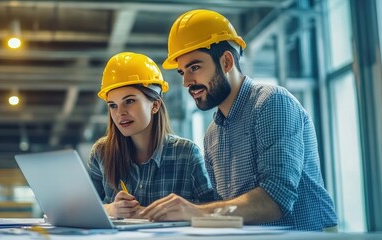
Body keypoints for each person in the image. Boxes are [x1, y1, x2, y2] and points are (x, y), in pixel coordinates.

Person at [139, 9, 338, 231]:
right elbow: (228, 209)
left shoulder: (272, 102)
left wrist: (196, 212)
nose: (186, 82)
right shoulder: (212, 134)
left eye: (194, 67)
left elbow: (276, 199)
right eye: (182, 72)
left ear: (226, 62)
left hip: (307, 235)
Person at [88, 52, 216, 219]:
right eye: (113, 105)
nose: (120, 113)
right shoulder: (101, 153)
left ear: (155, 105)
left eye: (129, 101)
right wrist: (110, 210)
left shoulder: (186, 154)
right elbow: (82, 210)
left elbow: (211, 214)